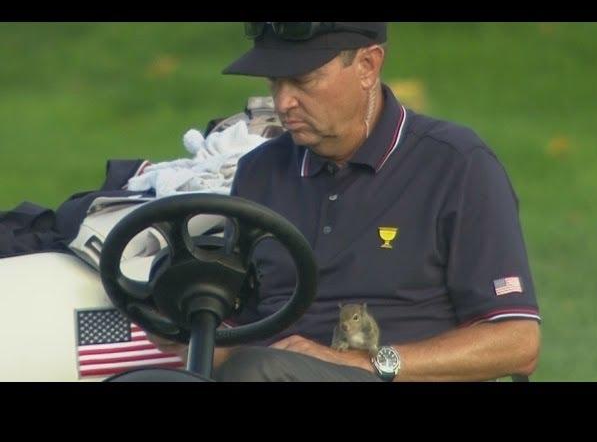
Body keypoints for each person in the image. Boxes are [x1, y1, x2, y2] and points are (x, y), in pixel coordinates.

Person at [153, 22, 541, 382]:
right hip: (266, 371)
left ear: (368, 66)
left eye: (303, 80)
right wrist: (186, 333)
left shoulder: (457, 165)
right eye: (275, 81)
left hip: (376, 374)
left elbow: (517, 342)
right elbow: (243, 331)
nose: (283, 101)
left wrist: (367, 363)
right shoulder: (259, 171)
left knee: (259, 370)